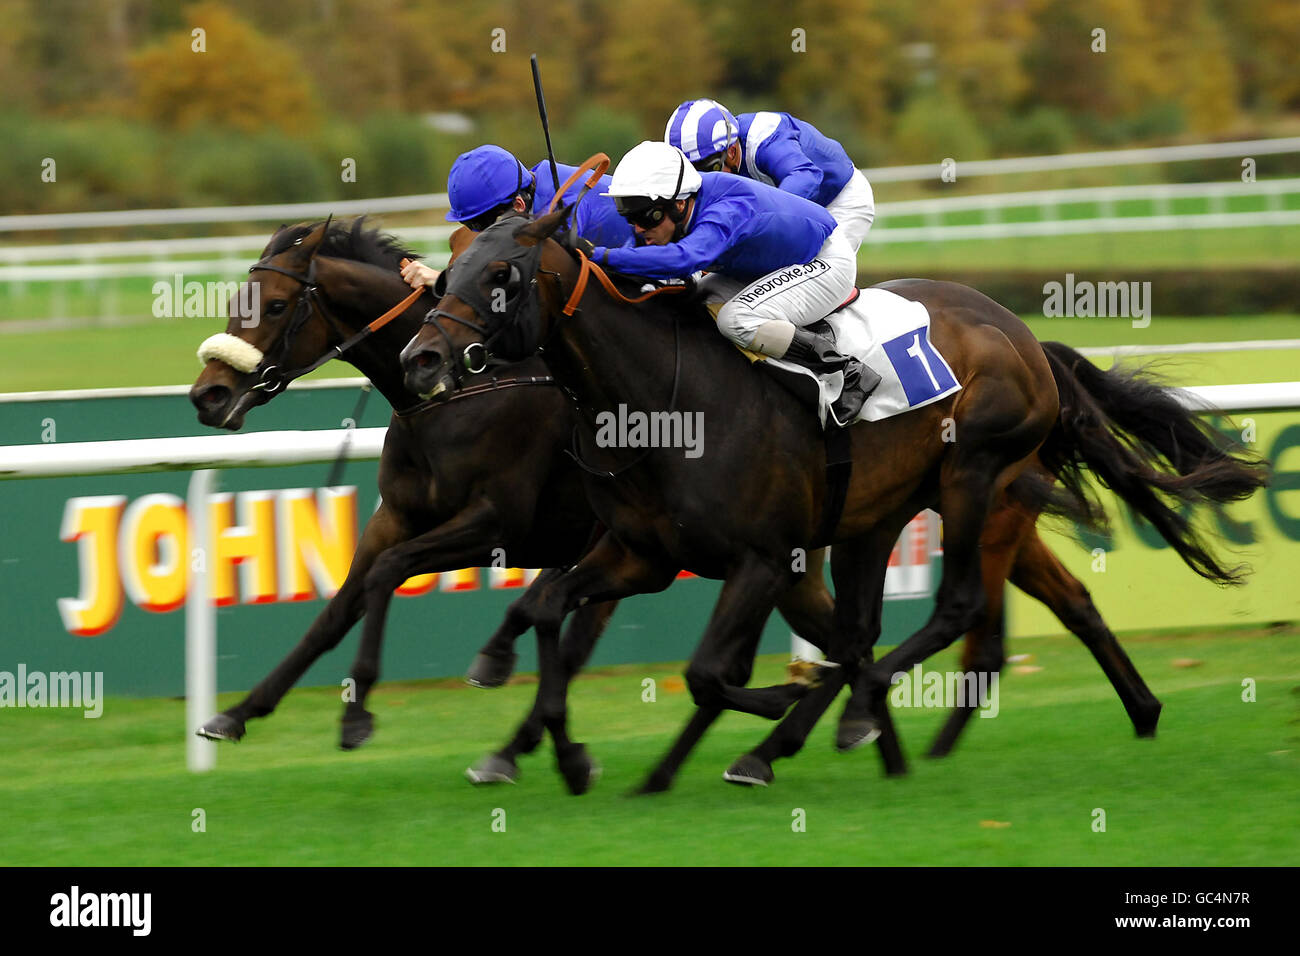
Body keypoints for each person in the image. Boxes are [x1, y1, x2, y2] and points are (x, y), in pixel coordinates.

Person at [592, 141, 880, 425]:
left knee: (735, 319)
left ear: (679, 204)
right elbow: (643, 253)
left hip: (824, 260)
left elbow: (685, 258)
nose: (638, 228)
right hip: (779, 262)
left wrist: (599, 255)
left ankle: (848, 371)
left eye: (645, 216)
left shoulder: (729, 207)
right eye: (629, 217)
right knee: (695, 296)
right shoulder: (681, 200)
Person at [402, 145, 633, 289]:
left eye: (481, 224)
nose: (478, 233)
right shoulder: (530, 185)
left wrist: (442, 279)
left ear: (518, 205)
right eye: (468, 224)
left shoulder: (560, 211)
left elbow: (520, 280)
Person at [664, 99, 875, 251]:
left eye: (708, 169)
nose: (705, 181)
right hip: (800, 204)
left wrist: (756, 220)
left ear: (731, 151)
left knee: (812, 275)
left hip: (839, 199)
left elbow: (805, 176)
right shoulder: (723, 149)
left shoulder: (765, 139)